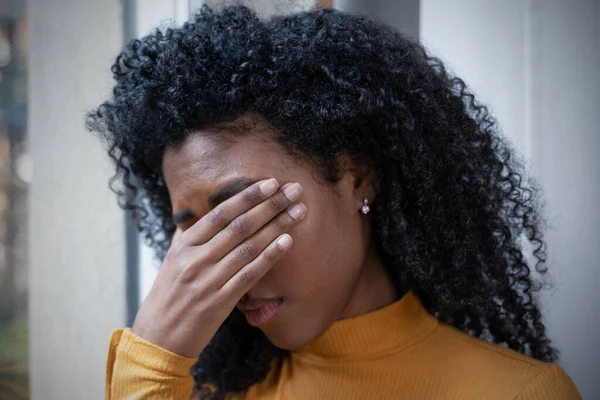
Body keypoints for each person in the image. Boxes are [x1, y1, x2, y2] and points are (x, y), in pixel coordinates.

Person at [89, 5, 581, 400]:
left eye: (243, 216)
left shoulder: (521, 393)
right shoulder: (202, 390)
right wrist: (151, 360)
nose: (223, 264)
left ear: (356, 176)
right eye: (195, 230)